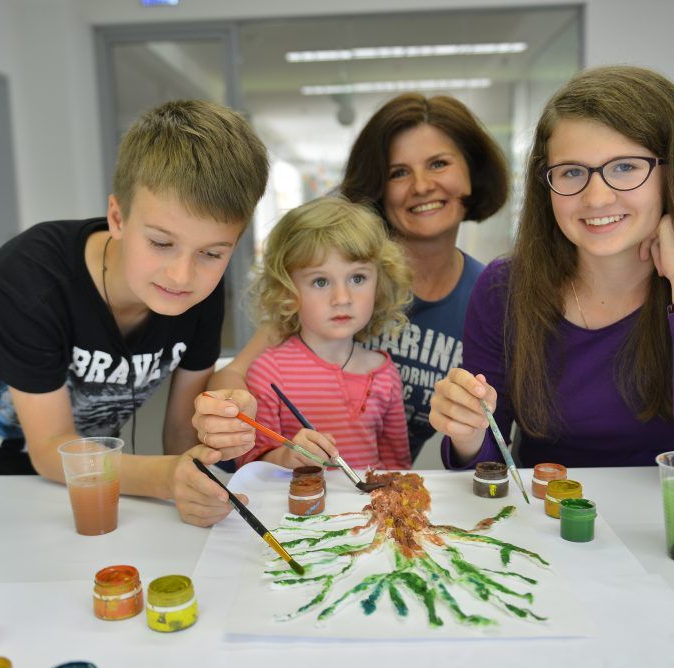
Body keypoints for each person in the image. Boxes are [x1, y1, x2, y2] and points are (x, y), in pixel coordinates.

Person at [428, 65, 674, 497]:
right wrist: (468, 432)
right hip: (551, 531)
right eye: (570, 172)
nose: (597, 197)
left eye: (624, 167)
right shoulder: (504, 288)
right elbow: (490, 460)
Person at [0, 100, 269, 526]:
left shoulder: (202, 293)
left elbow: (180, 436)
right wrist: (169, 477)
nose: (183, 275)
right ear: (117, 216)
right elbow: (51, 451)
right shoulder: (29, 280)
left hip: (98, 474)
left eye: (211, 252)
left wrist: (214, 438)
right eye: (161, 243)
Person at [195, 93, 509, 463]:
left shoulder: (490, 297)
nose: (422, 186)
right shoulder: (329, 283)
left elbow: (490, 445)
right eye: (398, 172)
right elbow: (233, 376)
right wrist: (233, 410)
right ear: (378, 186)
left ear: (472, 172)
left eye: (438, 164)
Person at [235, 196, 412, 471]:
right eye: (320, 281)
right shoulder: (268, 372)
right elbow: (249, 464)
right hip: (298, 509)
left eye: (357, 278)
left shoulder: (385, 373)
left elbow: (398, 467)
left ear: (380, 282)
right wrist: (287, 456)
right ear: (287, 289)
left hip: (370, 511)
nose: (342, 298)